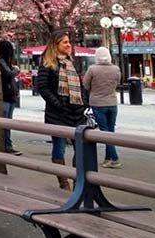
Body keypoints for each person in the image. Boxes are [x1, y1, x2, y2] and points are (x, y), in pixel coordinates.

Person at [36, 29, 87, 190]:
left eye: (69, 42)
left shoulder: (71, 62)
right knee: (59, 147)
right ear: (56, 45)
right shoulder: (47, 63)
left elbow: (79, 86)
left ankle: (76, 179)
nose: (69, 45)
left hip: (76, 113)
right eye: (65, 42)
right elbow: (42, 87)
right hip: (57, 114)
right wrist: (57, 103)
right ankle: (63, 182)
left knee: (80, 148)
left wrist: (83, 103)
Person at [83, 46, 122, 168]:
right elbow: (118, 82)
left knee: (104, 132)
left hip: (98, 103)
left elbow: (85, 84)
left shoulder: (92, 69)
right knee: (111, 130)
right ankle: (108, 157)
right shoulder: (116, 69)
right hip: (112, 102)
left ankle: (114, 158)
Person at [0, 39, 22, 155]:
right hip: (7, 95)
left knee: (7, 122)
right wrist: (15, 70)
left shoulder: (4, 62)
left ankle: (7, 144)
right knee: (6, 122)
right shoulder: (2, 62)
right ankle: (7, 144)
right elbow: (8, 75)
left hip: (9, 95)